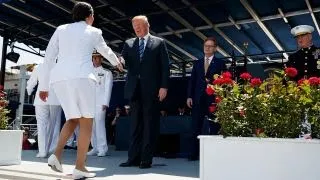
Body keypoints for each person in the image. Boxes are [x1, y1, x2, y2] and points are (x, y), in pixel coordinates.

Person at [39, 2, 122, 179]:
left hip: (60, 80)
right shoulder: (94, 31)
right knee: (86, 122)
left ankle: (56, 155)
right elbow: (104, 50)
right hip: (83, 78)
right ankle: (80, 167)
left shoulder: (60, 29)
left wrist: (44, 86)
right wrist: (117, 62)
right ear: (89, 16)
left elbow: (49, 58)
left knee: (73, 119)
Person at [119, 15, 170, 169]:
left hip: (152, 90)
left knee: (149, 125)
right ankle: (132, 158)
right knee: (135, 125)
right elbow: (123, 58)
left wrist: (164, 86)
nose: (137, 29)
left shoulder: (159, 43)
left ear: (147, 25)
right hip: (134, 90)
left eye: (139, 26)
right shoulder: (128, 43)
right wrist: (120, 62)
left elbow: (165, 66)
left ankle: (146, 159)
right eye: (134, 27)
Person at [186, 37, 227, 161]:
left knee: (214, 127)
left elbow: (224, 81)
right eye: (205, 46)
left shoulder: (220, 63)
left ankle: (214, 155)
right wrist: (189, 96)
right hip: (198, 99)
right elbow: (192, 81)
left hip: (213, 100)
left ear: (215, 49)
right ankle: (193, 154)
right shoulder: (197, 63)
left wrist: (221, 97)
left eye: (210, 46)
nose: (207, 48)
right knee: (195, 128)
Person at [26, 63, 62, 158]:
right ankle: (52, 150)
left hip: (40, 98)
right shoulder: (59, 66)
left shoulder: (38, 67)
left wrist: (29, 92)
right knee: (54, 126)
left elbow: (31, 82)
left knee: (41, 125)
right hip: (55, 98)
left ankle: (42, 151)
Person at [87, 51, 113, 157]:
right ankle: (95, 147)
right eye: (94, 58)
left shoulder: (107, 72)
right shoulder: (87, 72)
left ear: (101, 59)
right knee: (91, 126)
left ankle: (102, 148)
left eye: (98, 58)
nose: (96, 60)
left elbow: (108, 89)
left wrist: (105, 102)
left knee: (99, 125)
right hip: (89, 103)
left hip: (100, 103)